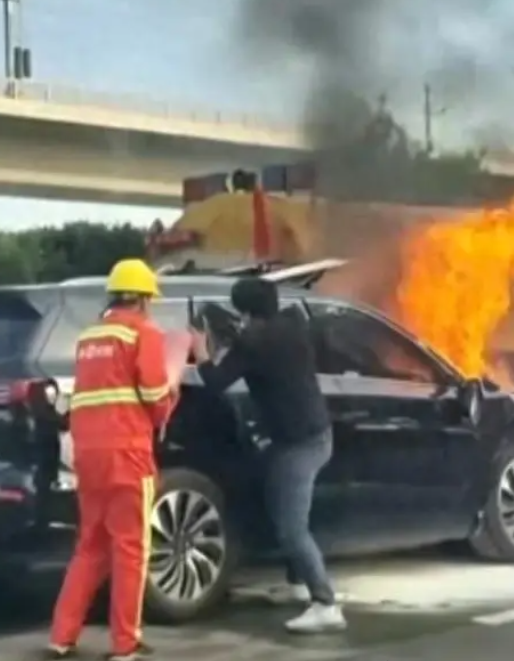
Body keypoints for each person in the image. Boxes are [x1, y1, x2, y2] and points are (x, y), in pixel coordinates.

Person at [189, 277, 345, 634]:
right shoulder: (292, 327)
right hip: (313, 435)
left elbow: (215, 381)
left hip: (299, 445)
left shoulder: (254, 343)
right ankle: (297, 583)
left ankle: (325, 604)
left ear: (245, 311)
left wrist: (200, 351)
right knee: (277, 507)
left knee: (291, 527)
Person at [46, 258, 178, 661]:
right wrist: (172, 398)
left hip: (89, 457)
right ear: (141, 300)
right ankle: (125, 644)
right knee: (130, 549)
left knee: (89, 547)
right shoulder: (143, 334)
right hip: (128, 456)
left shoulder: (90, 338)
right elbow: (155, 399)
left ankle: (61, 637)